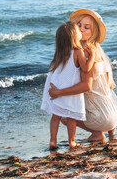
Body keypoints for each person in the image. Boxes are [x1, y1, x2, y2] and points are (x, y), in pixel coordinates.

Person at [49, 9, 117, 142]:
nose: (81, 29)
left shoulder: (85, 53)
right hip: (115, 113)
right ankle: (111, 133)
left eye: (86, 27)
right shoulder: (99, 51)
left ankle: (97, 133)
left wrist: (58, 92)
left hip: (102, 118)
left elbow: (86, 86)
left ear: (93, 33)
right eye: (79, 25)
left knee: (65, 116)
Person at [41, 21, 95, 149]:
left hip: (57, 92)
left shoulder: (58, 55)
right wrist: (92, 56)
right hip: (70, 93)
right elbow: (86, 68)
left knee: (55, 118)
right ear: (74, 36)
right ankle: (72, 141)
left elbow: (53, 73)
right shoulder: (77, 51)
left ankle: (53, 141)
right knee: (71, 119)